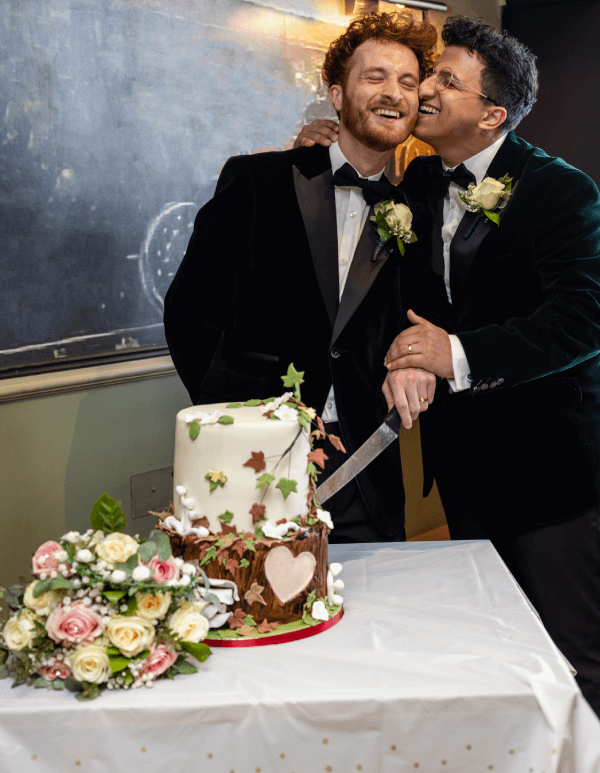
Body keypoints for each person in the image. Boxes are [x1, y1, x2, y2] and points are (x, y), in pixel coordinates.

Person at [296, 16, 600, 715]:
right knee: (494, 640)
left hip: (548, 469)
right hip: (459, 467)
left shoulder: (562, 192)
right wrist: (327, 148)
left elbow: (583, 319)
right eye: (429, 75)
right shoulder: (423, 181)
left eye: (444, 81)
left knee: (574, 650)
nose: (424, 90)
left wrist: (455, 353)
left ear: (492, 114)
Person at [164, 12, 442, 544]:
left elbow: (422, 314)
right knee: (254, 610)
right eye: (375, 76)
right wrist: (230, 417)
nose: (394, 93)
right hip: (251, 451)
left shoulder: (416, 212)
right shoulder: (257, 180)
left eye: (408, 82)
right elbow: (188, 310)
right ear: (336, 94)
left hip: (363, 461)